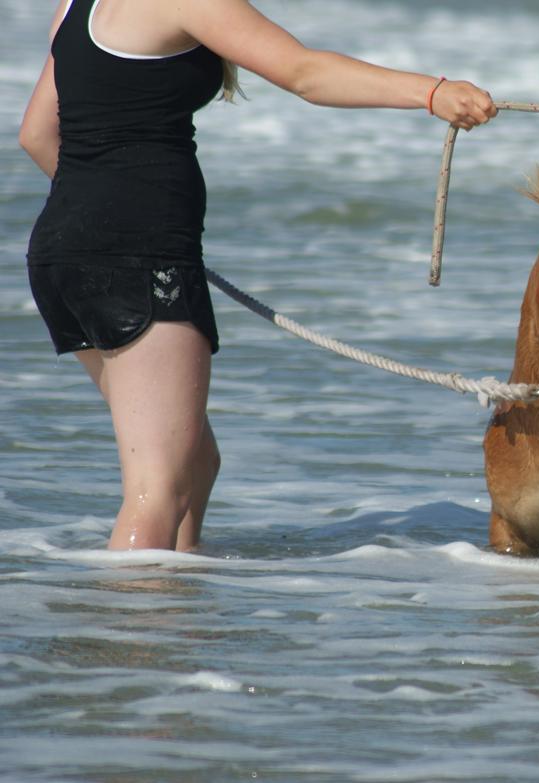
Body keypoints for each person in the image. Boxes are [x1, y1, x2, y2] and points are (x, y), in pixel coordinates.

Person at [19, 0, 497, 552]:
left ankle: (174, 616)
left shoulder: (80, 5)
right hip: (138, 252)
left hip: (61, 248)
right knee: (158, 487)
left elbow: (36, 134)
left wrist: (100, 220)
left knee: (196, 461)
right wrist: (432, 93)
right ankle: (131, 632)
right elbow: (305, 74)